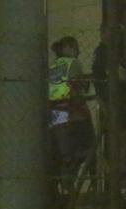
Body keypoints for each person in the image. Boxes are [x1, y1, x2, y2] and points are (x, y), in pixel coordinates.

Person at [47, 36, 94, 177]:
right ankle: (90, 176)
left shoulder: (54, 65)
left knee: (65, 154)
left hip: (56, 112)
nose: (78, 52)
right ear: (67, 48)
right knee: (87, 148)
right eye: (76, 48)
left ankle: (65, 183)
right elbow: (73, 86)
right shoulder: (73, 63)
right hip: (72, 111)